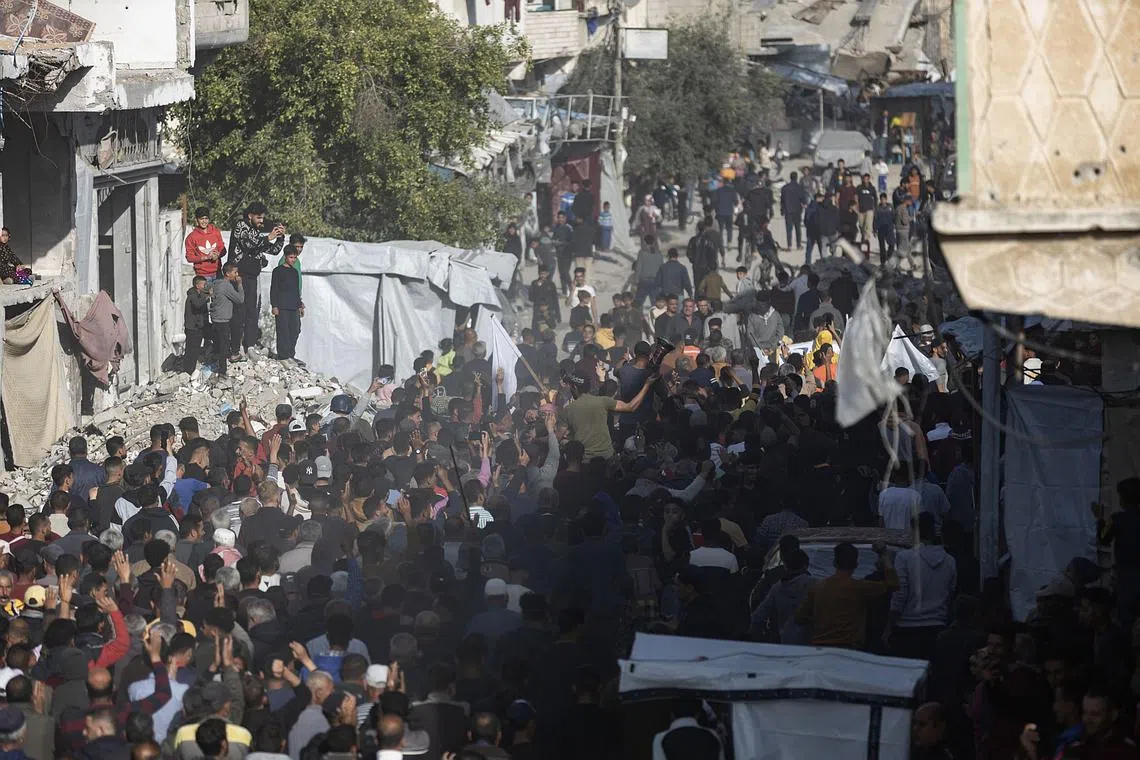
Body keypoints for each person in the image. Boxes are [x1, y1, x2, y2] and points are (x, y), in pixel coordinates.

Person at [795, 542, 898, 648]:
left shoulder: (817, 588)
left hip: (820, 647)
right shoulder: (860, 587)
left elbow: (800, 617)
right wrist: (884, 555)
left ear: (834, 563)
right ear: (856, 564)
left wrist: (822, 620)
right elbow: (893, 584)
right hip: (849, 649)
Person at [226, 201, 285, 356]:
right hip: (238, 275)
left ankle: (250, 345)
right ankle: (236, 345)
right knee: (239, 311)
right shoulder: (241, 226)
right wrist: (269, 237)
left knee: (252, 311)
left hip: (252, 276)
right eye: (258, 218)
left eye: (262, 218)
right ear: (250, 216)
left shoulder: (256, 232)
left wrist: (280, 237)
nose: (261, 221)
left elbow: (273, 250)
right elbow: (248, 244)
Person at [208, 264, 245, 377]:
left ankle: (215, 362)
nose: (237, 275)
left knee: (218, 343)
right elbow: (240, 299)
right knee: (224, 346)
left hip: (215, 318)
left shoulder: (216, 283)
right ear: (228, 274)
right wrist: (240, 284)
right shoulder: (226, 286)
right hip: (223, 319)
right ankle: (222, 371)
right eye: (235, 272)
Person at [269, 246, 304, 363]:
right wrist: (274, 305)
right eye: (291, 257)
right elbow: (274, 288)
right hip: (282, 305)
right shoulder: (278, 271)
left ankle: (290, 354)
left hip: (293, 305)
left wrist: (300, 305)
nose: (293, 260)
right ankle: (283, 356)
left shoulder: (294, 272)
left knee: (295, 329)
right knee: (283, 330)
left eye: (294, 257)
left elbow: (296, 290)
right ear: (285, 257)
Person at [184, 207, 226, 282]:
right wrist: (206, 257)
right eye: (201, 219)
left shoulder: (216, 232)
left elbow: (223, 250)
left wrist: (218, 255)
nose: (204, 221)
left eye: (206, 218)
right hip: (202, 276)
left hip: (218, 272)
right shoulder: (191, 237)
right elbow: (189, 257)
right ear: (196, 220)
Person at [183, 276, 211, 375]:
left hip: (198, 326)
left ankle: (190, 369)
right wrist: (208, 296)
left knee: (195, 349)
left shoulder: (199, 294)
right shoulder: (192, 295)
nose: (205, 286)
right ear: (197, 285)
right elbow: (197, 305)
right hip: (192, 327)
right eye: (203, 284)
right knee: (191, 349)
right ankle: (188, 370)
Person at [780, 171, 807, 250]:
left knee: (789, 229)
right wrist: (804, 204)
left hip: (788, 210)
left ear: (790, 177)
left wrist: (782, 210)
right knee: (798, 228)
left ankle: (789, 246)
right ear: (796, 178)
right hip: (797, 210)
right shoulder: (799, 188)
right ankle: (798, 245)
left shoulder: (785, 188)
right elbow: (803, 199)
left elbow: (782, 200)